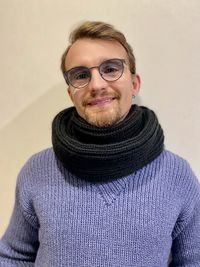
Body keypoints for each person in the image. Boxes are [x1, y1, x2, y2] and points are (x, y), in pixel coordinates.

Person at [0, 21, 199, 267]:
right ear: (71, 92)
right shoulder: (37, 170)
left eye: (112, 69)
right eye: (81, 75)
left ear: (135, 84)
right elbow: (13, 256)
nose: (97, 85)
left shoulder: (177, 176)